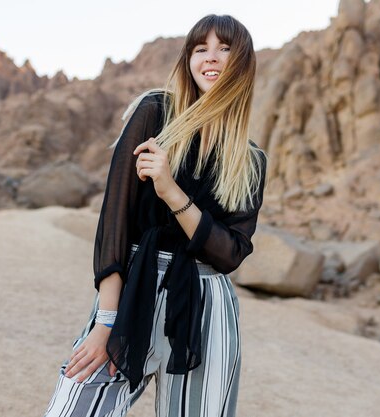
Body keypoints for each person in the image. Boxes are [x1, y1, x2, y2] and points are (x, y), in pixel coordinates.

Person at [43, 13, 267, 417]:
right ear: (188, 60)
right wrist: (105, 322)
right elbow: (115, 220)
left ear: (243, 64)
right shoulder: (155, 113)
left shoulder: (250, 160)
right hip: (134, 291)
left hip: (207, 308)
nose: (211, 58)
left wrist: (170, 191)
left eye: (224, 49)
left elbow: (231, 253)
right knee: (73, 409)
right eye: (201, 49)